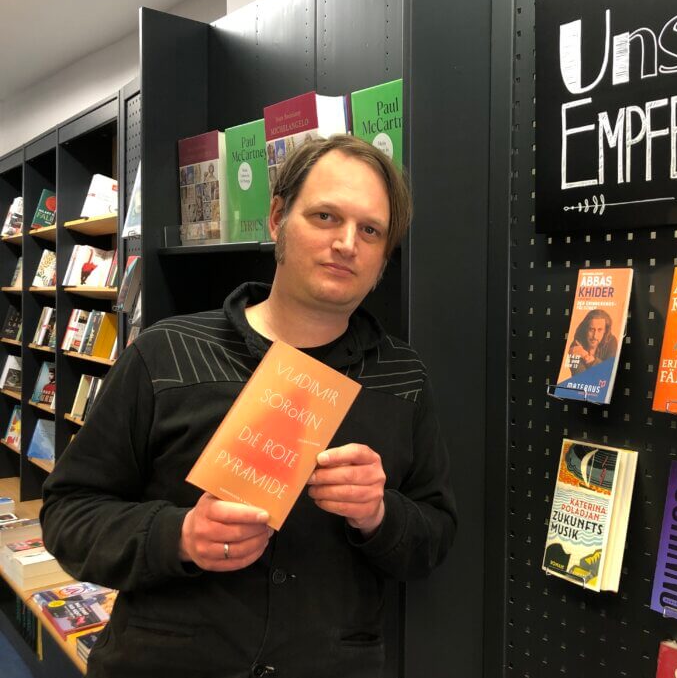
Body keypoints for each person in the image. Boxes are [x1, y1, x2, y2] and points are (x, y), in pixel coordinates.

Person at [41, 135, 457, 678]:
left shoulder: (402, 377)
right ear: (277, 218)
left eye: (370, 230)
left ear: (384, 255)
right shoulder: (165, 353)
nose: (346, 243)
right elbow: (68, 513)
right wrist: (179, 535)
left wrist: (379, 514)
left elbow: (434, 537)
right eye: (326, 216)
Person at [567, 308, 617, 375]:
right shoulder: (576, 346)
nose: (595, 336)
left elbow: (609, 373)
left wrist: (586, 356)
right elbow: (582, 378)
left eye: (600, 330)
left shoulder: (611, 342)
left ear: (605, 331)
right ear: (586, 329)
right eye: (591, 329)